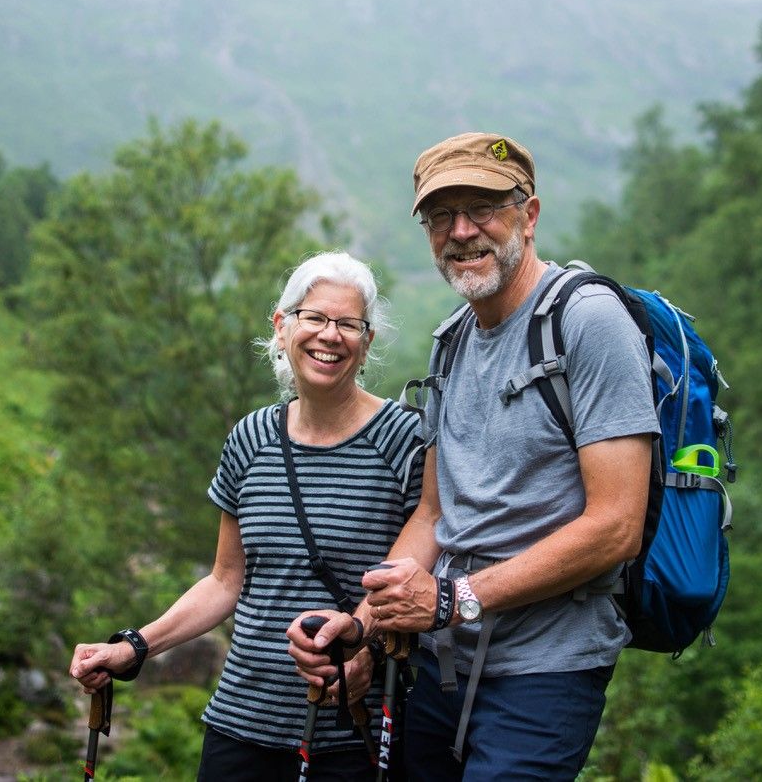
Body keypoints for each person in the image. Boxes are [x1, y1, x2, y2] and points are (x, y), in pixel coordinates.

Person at [288, 133, 658, 780]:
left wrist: (453, 597)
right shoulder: (452, 340)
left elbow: (617, 525)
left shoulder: (586, 320)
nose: (461, 231)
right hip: (441, 666)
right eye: (441, 215)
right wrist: (361, 624)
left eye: (482, 208)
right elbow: (435, 512)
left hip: (546, 670)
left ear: (530, 214)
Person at [71, 250, 425, 781]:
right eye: (315, 318)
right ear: (282, 327)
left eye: (348, 324)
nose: (330, 336)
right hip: (240, 725)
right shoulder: (250, 439)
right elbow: (224, 581)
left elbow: (421, 572)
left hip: (350, 732)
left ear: (366, 341)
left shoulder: (405, 440)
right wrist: (135, 646)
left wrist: (366, 642)